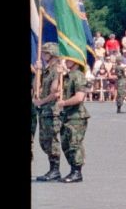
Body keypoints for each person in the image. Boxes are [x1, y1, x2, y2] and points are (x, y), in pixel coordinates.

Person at [55, 55, 89, 182]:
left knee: (74, 144)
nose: (65, 61)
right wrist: (58, 75)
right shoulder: (67, 76)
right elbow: (55, 90)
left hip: (76, 116)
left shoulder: (78, 75)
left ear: (76, 61)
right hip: (67, 115)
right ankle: (72, 170)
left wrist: (64, 103)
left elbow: (80, 97)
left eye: (68, 59)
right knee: (66, 144)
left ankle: (77, 172)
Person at [35, 48, 65, 181]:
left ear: (51, 54)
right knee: (44, 141)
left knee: (52, 141)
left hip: (52, 111)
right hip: (44, 111)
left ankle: (55, 170)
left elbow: (55, 92)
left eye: (45, 53)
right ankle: (52, 169)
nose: (42, 55)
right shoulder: (46, 71)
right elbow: (37, 86)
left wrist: (41, 101)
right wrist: (37, 72)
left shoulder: (56, 71)